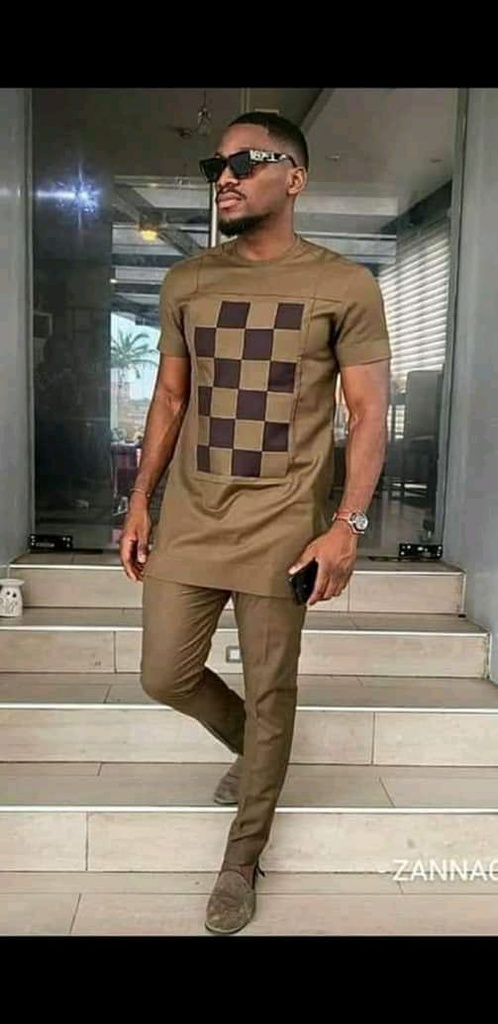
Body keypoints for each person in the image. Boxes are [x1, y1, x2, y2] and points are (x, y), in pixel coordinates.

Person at [119, 110, 391, 935]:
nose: (226, 177)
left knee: (273, 687)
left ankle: (242, 860)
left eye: (246, 162)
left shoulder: (345, 285)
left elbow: (368, 414)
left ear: (294, 178)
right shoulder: (187, 282)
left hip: (285, 521)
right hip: (194, 514)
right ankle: (258, 747)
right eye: (217, 166)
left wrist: (346, 524)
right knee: (164, 674)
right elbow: (170, 399)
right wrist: (141, 498)